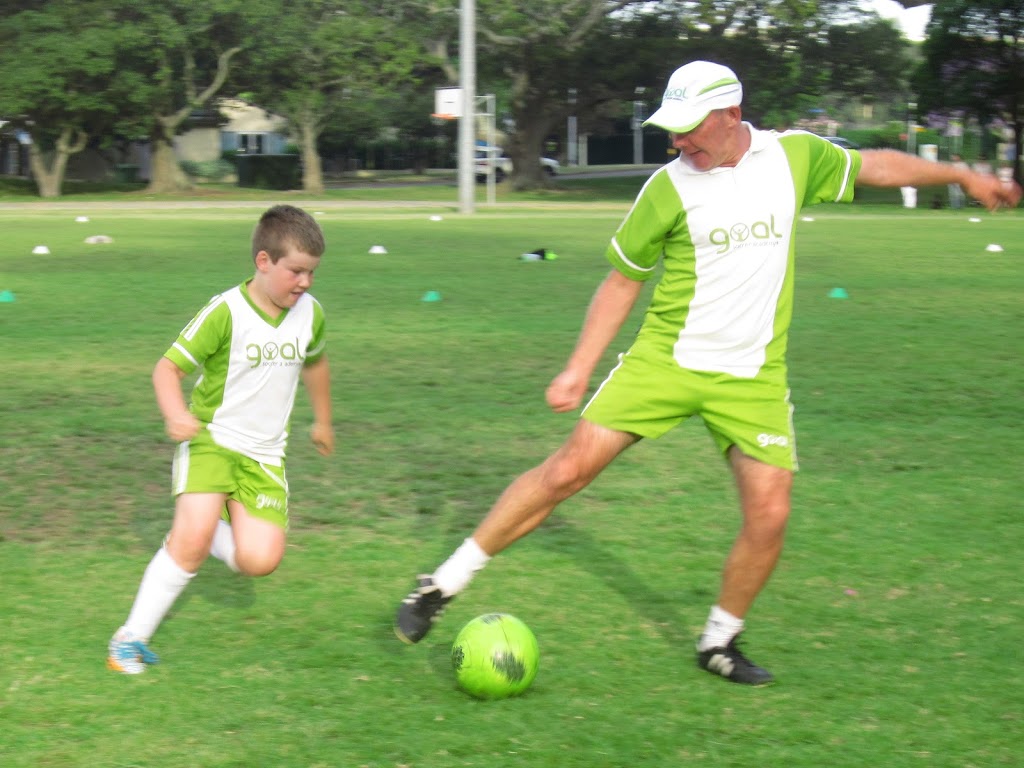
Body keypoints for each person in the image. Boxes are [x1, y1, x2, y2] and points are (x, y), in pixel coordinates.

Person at [394, 61, 1022, 685]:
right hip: (666, 361)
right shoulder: (666, 188)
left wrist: (961, 173)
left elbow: (877, 164)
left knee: (770, 512)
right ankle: (442, 584)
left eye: (689, 127)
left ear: (731, 115)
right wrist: (577, 368)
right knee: (566, 471)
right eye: (672, 128)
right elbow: (621, 281)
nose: (677, 141)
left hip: (752, 377)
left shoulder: (793, 158)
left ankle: (719, 642)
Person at [108, 204, 334, 674]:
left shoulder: (310, 314)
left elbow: (315, 363)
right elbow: (167, 368)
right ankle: (128, 641)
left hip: (266, 456)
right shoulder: (226, 311)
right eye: (296, 271)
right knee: (188, 545)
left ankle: (205, 528)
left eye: (312, 273)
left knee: (259, 560)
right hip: (212, 439)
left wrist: (323, 421)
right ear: (264, 262)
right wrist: (175, 415)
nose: (305, 283)